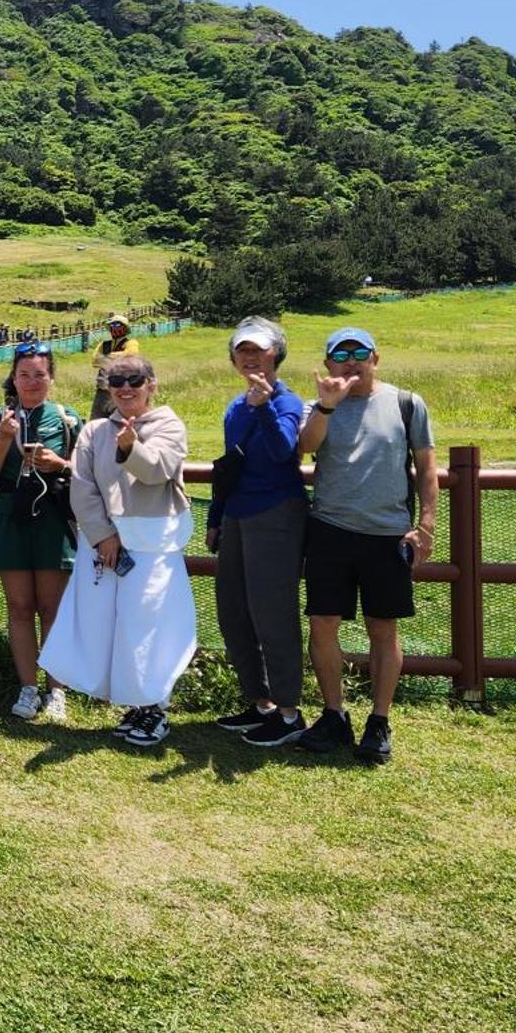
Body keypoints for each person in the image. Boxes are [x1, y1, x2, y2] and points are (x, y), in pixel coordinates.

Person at [294, 326, 437, 764]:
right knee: (322, 623)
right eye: (341, 354)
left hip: (387, 532)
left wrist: (426, 525)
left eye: (360, 353)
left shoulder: (406, 404)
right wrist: (327, 405)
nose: (351, 362)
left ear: (377, 358)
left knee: (383, 628)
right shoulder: (317, 406)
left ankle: (379, 721)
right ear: (328, 362)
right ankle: (334, 714)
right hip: (329, 529)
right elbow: (304, 448)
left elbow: (428, 469)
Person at [42, 354, 193, 748]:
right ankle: (133, 703)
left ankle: (155, 706)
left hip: (152, 544)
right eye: (117, 380)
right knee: (106, 624)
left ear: (151, 384)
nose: (126, 388)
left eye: (135, 380)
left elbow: (156, 472)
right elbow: (83, 485)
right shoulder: (94, 432)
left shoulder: (168, 424)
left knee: (146, 625)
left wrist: (131, 447)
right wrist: (102, 536)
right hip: (105, 545)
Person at [206, 317, 311, 746]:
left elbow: (284, 450)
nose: (249, 356)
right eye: (242, 350)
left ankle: (289, 712)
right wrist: (216, 517)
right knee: (234, 613)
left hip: (276, 514)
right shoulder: (235, 406)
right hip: (237, 515)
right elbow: (230, 465)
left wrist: (264, 406)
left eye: (259, 349)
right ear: (232, 357)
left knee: (273, 612)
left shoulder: (287, 402)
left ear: (276, 354)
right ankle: (260, 703)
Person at [0, 342, 82, 722]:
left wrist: (60, 463)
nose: (32, 381)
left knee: (51, 608)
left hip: (52, 517)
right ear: (14, 378)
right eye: (25, 374)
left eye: (40, 374)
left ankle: (57, 691)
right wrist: (5, 437)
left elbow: (85, 472)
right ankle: (27, 688)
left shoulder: (67, 418)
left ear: (51, 377)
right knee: (19, 607)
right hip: (10, 514)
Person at [90, 314, 135, 419]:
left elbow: (131, 355)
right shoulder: (104, 344)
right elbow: (95, 361)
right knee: (96, 421)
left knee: (120, 422)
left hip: (121, 390)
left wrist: (106, 358)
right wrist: (118, 358)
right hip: (102, 389)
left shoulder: (131, 343)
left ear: (125, 327)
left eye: (118, 325)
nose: (115, 327)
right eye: (112, 325)